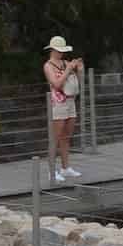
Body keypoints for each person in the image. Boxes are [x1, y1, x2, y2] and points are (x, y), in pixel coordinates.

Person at [44, 36, 82, 180]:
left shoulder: (66, 63)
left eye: (62, 51)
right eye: (58, 51)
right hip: (58, 104)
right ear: (52, 50)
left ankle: (65, 168)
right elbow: (57, 84)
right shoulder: (48, 66)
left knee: (66, 137)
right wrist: (68, 70)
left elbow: (75, 83)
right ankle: (52, 171)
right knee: (55, 138)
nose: (61, 53)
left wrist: (79, 69)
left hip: (70, 102)